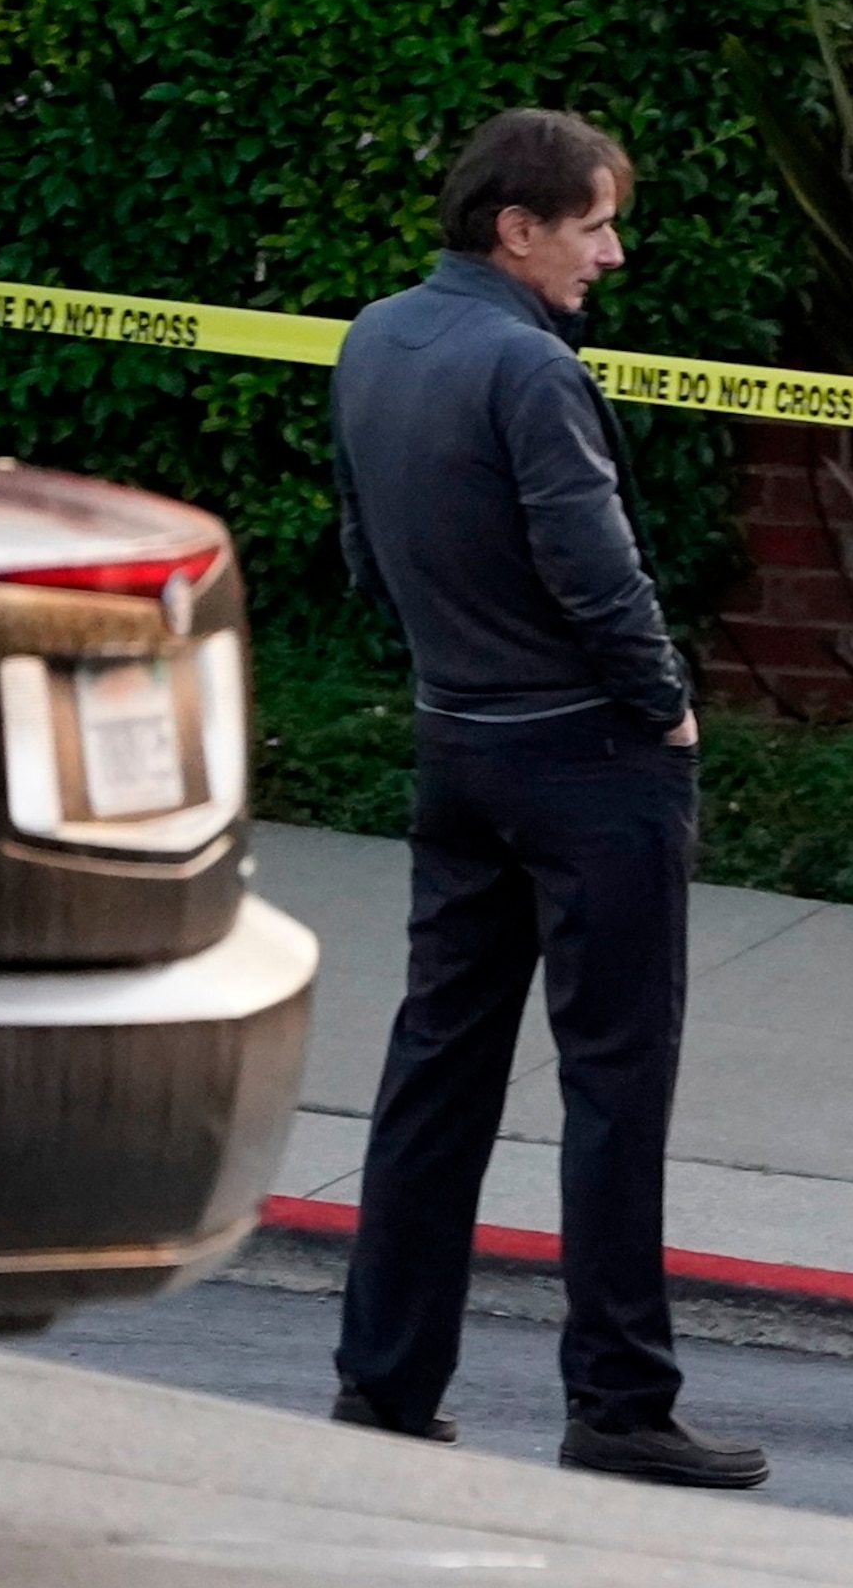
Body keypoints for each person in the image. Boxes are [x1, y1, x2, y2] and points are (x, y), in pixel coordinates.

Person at [327, 107, 768, 1489]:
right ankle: (620, 1401)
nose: (613, 254)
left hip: (456, 740)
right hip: (586, 761)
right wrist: (666, 704)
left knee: (435, 1068)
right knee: (617, 1081)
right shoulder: (527, 369)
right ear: (518, 228)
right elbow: (594, 563)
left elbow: (360, 544)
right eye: (593, 225)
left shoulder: (375, 338)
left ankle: (386, 1380)